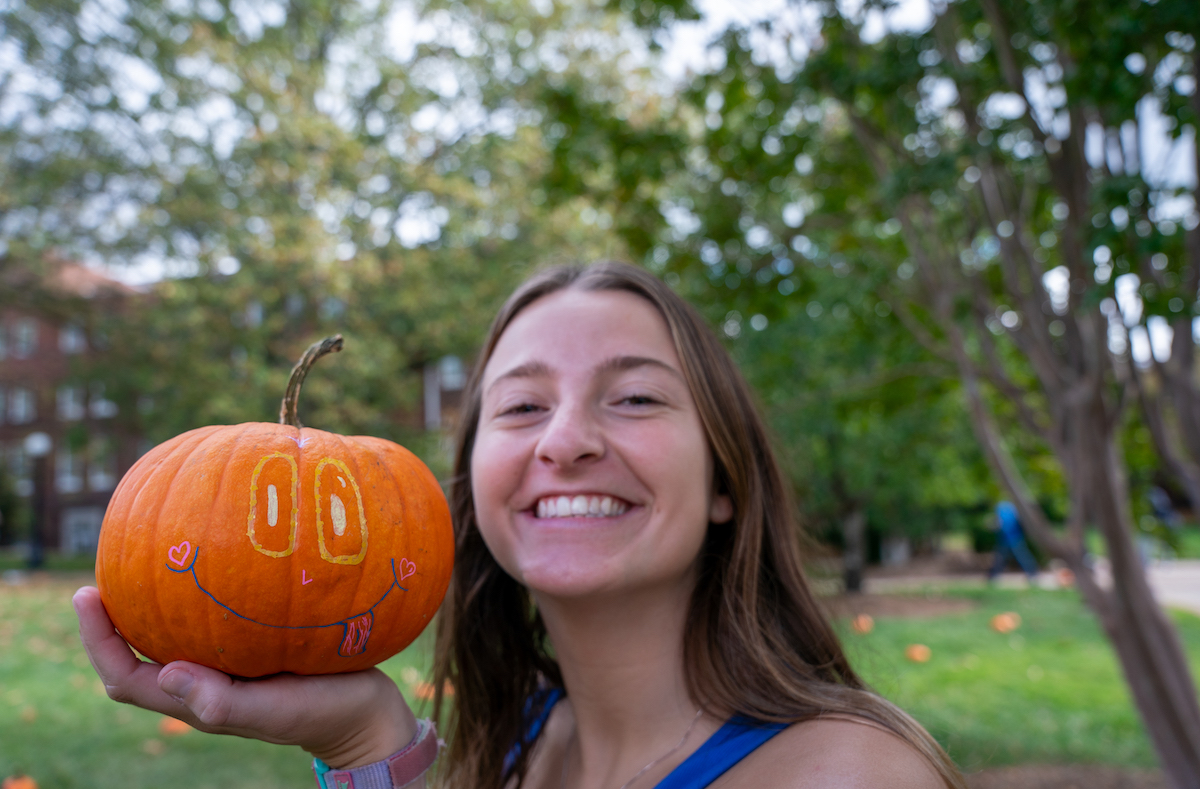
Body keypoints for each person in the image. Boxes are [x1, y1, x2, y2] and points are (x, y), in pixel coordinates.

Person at [74, 262, 965, 789]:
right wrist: (362, 744)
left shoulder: (843, 774)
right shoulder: (510, 750)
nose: (567, 441)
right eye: (523, 405)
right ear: (474, 487)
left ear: (726, 476)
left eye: (636, 397)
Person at [986, 500, 1038, 581]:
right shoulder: (1010, 508)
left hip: (1013, 538)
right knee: (1002, 558)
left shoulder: (1003, 508)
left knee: (1019, 557)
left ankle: (1032, 574)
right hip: (1007, 538)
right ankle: (993, 575)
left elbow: (999, 523)